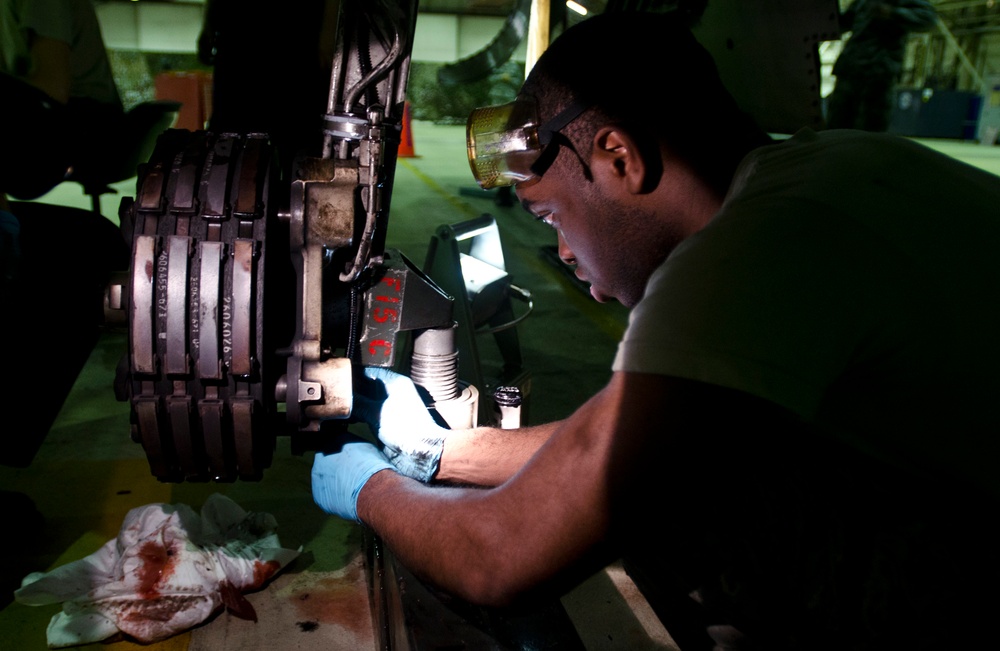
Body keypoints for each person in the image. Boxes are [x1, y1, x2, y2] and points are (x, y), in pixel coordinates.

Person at [311, 10, 1000, 650]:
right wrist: (439, 451)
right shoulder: (822, 172)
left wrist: (370, 486)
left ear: (618, 155)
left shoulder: (754, 253)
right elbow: (624, 433)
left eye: (551, 218)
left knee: (711, 508)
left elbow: (501, 555)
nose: (562, 254)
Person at [825, 0, 937, 131]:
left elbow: (927, 18)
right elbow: (842, 23)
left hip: (878, 73)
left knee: (870, 130)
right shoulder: (862, 2)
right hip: (850, 70)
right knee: (837, 127)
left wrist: (892, 13)